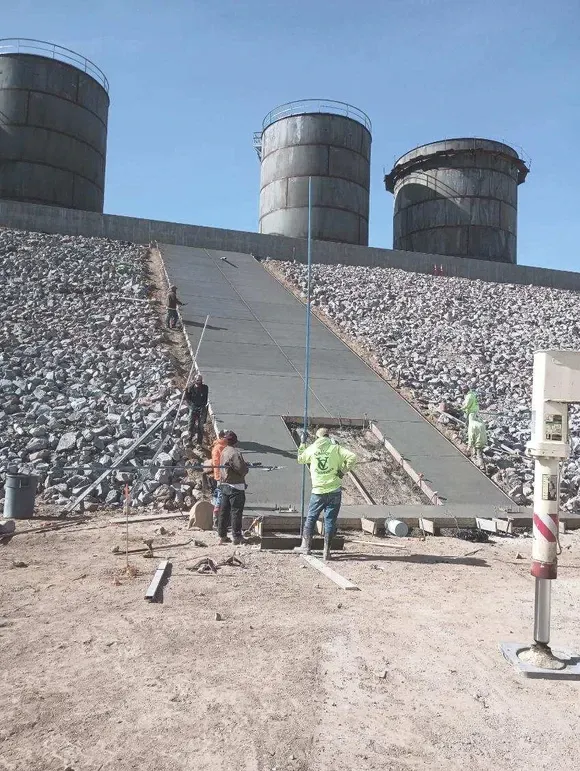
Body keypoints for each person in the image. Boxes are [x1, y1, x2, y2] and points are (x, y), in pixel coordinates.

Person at [297, 427, 357, 561]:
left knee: (311, 518)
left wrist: (302, 443)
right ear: (328, 436)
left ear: (317, 437)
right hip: (334, 490)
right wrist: (343, 470)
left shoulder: (312, 448)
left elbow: (300, 459)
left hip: (318, 491)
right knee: (330, 521)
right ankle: (326, 551)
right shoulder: (335, 448)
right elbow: (352, 457)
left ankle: (306, 547)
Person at [217, 431, 249, 545]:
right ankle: (237, 536)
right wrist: (246, 467)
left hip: (225, 484)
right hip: (236, 486)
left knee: (224, 511)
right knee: (236, 512)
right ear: (236, 441)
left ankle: (222, 535)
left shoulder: (224, 451)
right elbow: (241, 469)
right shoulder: (235, 452)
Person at [211, 429, 228, 529]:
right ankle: (216, 520)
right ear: (222, 437)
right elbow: (217, 463)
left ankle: (216, 518)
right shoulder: (219, 448)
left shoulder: (223, 446)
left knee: (218, 494)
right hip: (222, 476)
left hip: (221, 476)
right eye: (226, 436)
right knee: (221, 497)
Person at [184, 374, 209, 445]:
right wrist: (186, 392)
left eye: (200, 380)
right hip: (193, 407)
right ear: (195, 380)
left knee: (200, 426)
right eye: (197, 380)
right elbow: (188, 398)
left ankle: (199, 443)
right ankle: (189, 439)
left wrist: (202, 407)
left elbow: (205, 400)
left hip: (202, 407)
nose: (199, 382)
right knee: (190, 424)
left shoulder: (205, 388)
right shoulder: (191, 387)